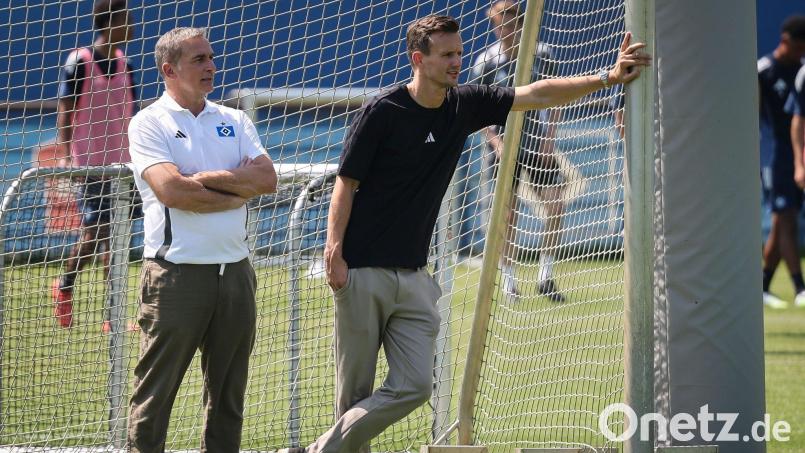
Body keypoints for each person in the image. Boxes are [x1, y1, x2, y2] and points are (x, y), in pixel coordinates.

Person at [278, 14, 650, 453]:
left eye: (459, 52)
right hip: (360, 270)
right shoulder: (382, 111)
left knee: (415, 386)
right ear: (419, 59)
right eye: (447, 54)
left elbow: (536, 93)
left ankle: (316, 451)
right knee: (354, 396)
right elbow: (346, 182)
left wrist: (606, 78)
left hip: (415, 275)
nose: (457, 61)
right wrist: (333, 252)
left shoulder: (465, 103)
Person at [126, 27, 277, 452]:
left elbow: (266, 179)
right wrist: (234, 189)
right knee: (155, 396)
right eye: (199, 60)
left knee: (228, 399)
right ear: (169, 70)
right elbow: (172, 191)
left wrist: (203, 183)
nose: (211, 65)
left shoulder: (235, 119)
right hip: (175, 278)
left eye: (210, 56)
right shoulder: (148, 122)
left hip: (236, 276)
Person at [51, 0, 137, 329]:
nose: (132, 25)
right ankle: (66, 286)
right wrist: (66, 154)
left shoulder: (126, 64)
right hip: (89, 164)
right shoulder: (80, 61)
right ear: (110, 22)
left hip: (123, 165)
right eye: (127, 19)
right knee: (99, 231)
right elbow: (66, 110)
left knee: (114, 237)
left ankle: (111, 314)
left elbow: (133, 113)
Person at [471, 0, 565, 301]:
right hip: (502, 150)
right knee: (506, 215)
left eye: (512, 23)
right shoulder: (486, 61)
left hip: (537, 145)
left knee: (556, 204)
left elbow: (556, 96)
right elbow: (476, 109)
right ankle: (510, 282)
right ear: (495, 25)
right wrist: (496, 142)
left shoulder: (542, 54)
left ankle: (545, 275)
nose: (506, 29)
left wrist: (549, 138)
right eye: (501, 23)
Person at [759, 15, 805, 309]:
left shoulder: (801, 71)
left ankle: (762, 284)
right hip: (777, 153)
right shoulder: (762, 70)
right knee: (785, 218)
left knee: (780, 222)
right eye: (800, 47)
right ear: (785, 41)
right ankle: (800, 287)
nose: (802, 53)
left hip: (797, 153)